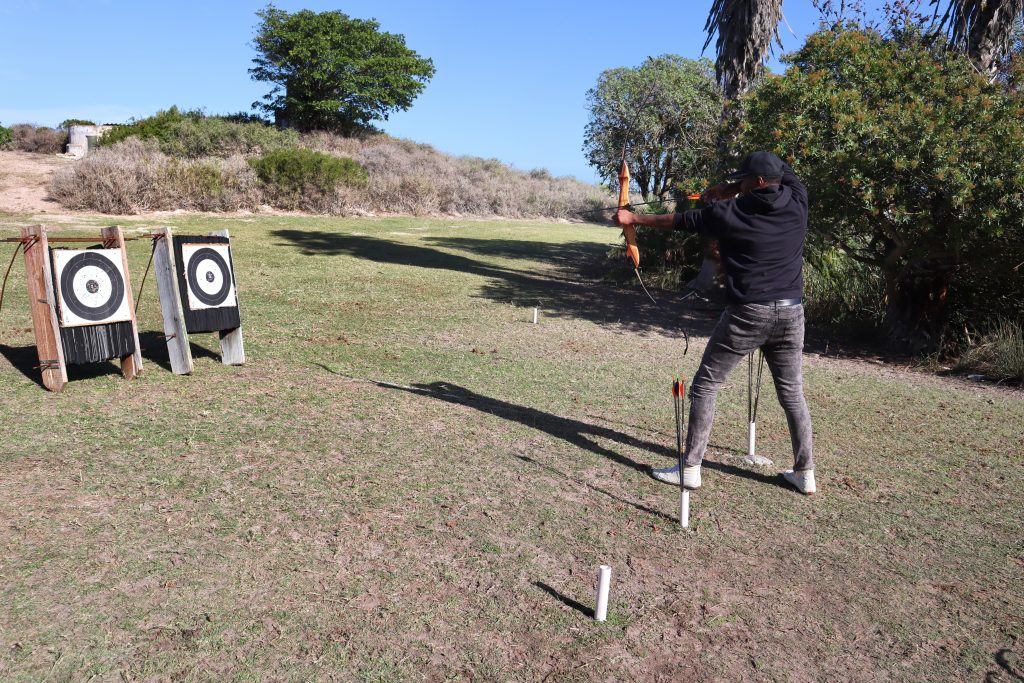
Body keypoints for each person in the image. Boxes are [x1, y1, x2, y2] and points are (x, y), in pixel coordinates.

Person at [616, 150, 816, 495]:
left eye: (744, 179)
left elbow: (682, 221)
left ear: (756, 182)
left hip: (749, 314)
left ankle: (690, 469)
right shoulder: (798, 200)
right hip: (791, 312)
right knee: (792, 394)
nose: (737, 183)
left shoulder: (731, 212)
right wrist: (731, 186)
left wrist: (634, 219)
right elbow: (786, 171)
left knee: (705, 386)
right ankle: (805, 474)